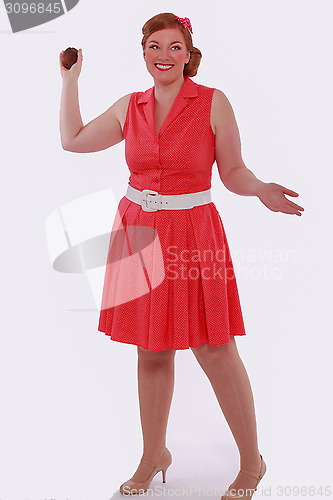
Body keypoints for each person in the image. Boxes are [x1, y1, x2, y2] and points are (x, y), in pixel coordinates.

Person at [59, 12, 304, 500]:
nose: (164, 56)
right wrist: (70, 82)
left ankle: (252, 462)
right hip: (138, 229)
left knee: (215, 347)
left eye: (174, 47)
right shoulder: (130, 106)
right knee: (150, 349)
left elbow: (231, 169)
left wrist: (259, 190)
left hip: (193, 231)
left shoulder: (213, 102)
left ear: (189, 54)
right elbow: (73, 141)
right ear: (143, 52)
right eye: (154, 46)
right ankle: (154, 455)